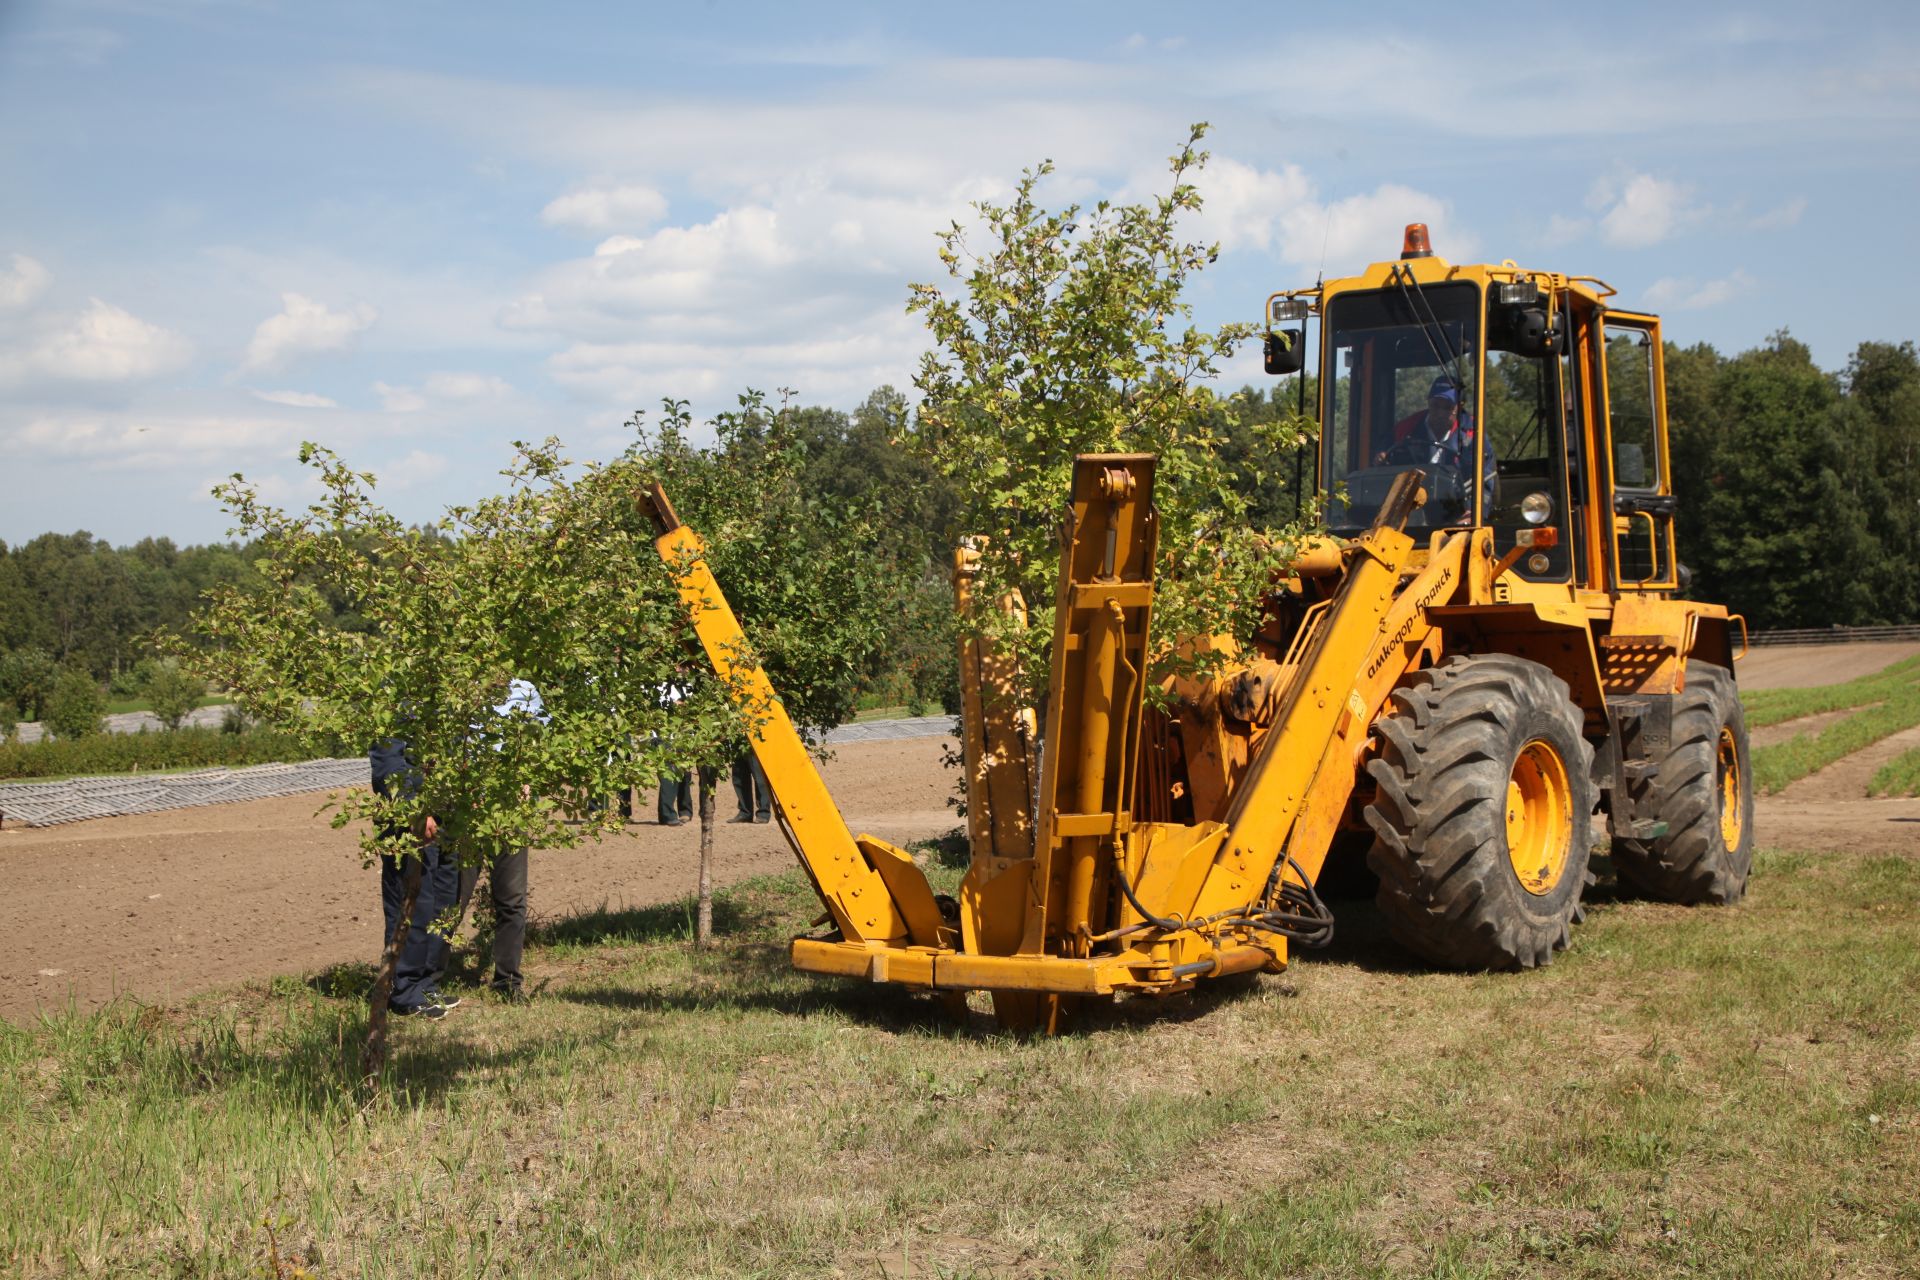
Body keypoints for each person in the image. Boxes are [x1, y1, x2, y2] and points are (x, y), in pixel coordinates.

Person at [454, 676, 545, 1002]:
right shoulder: (460, 686)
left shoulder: (525, 691)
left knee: (512, 900)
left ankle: (508, 982)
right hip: (469, 811)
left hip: (511, 812)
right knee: (454, 898)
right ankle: (428, 979)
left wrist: (527, 781)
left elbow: (540, 739)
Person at [370, 736, 460, 1019]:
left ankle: (425, 983)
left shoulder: (443, 698)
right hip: (412, 821)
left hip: (446, 815)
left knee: (440, 899)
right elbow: (388, 763)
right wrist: (412, 809)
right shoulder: (396, 697)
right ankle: (404, 990)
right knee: (412, 903)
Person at [1376, 376, 1498, 518]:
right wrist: (1381, 456)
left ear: (1459, 407)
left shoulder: (1473, 434)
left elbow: (1484, 480)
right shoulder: (1407, 428)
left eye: (1447, 408)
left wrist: (1473, 514)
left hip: (1456, 510)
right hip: (1411, 511)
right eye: (1435, 405)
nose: (1440, 413)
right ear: (1428, 403)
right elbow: (1382, 455)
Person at [656, 680, 693, 826]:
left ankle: (684, 811)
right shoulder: (660, 685)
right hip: (664, 737)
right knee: (668, 775)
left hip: (684, 736)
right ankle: (667, 815)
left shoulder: (687, 684)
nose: (681, 669)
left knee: (684, 775)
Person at [729, 749, 772, 824]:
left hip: (755, 742)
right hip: (736, 742)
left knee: (760, 778)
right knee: (739, 777)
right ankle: (745, 812)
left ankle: (763, 813)